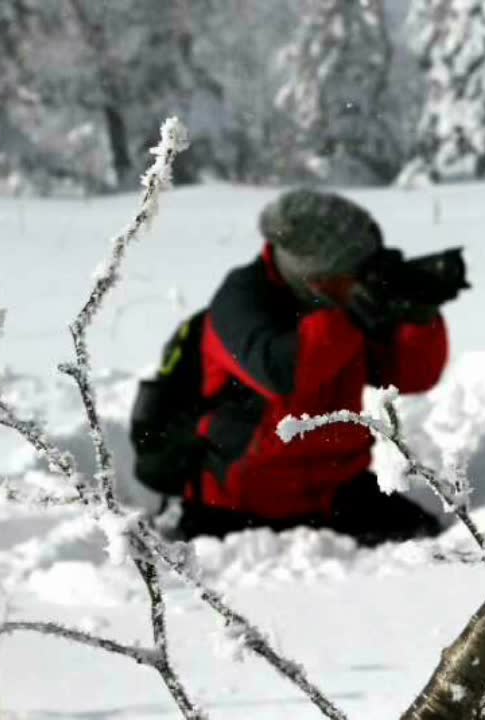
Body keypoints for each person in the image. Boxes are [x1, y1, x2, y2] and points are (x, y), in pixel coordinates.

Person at [175, 188, 448, 544]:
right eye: (350, 271)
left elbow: (411, 375)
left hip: (338, 493)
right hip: (239, 508)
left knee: (431, 544)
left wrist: (418, 317)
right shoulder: (242, 300)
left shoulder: (345, 301)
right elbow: (280, 372)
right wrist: (351, 318)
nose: (357, 280)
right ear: (314, 271)